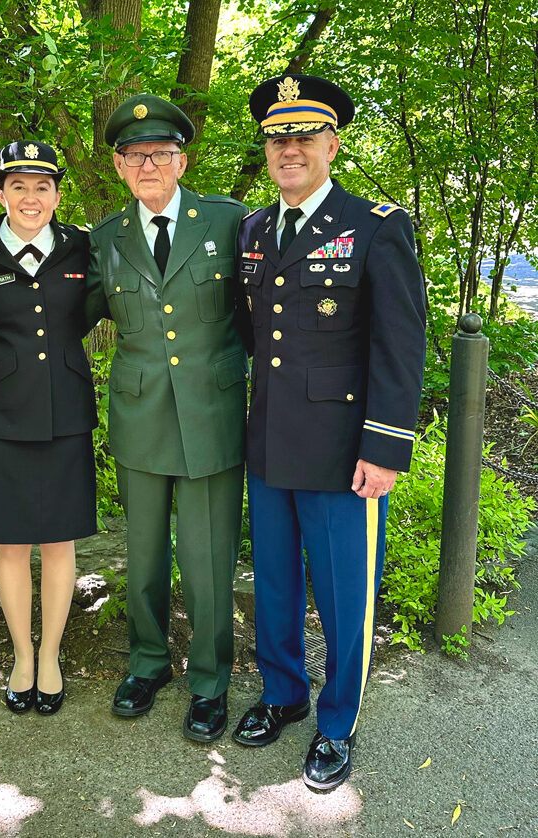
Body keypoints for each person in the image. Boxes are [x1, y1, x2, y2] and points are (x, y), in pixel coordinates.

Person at [231, 74, 426, 791]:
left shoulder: (375, 224)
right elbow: (253, 337)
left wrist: (384, 445)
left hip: (346, 452)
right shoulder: (254, 229)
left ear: (331, 143)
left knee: (346, 595)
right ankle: (284, 693)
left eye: (304, 136)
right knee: (276, 584)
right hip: (271, 439)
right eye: (278, 137)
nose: (289, 149)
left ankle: (337, 721)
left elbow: (401, 345)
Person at [85, 94, 250, 742]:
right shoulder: (105, 239)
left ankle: (209, 680)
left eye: (159, 153)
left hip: (211, 417)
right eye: (134, 154)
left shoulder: (231, 223)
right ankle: (149, 662)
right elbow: (72, 313)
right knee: (145, 555)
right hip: (139, 417)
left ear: (181, 159)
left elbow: (263, 314)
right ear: (121, 167)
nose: (146, 163)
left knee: (209, 560)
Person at [0, 141, 96, 716]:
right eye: (18, 185)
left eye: (42, 186)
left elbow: (103, 310)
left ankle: (53, 655)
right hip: (2, 415)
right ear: (0, 192)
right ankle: (20, 654)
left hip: (65, 412)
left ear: (58, 195)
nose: (30, 197)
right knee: (11, 543)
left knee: (59, 542)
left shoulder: (82, 247)